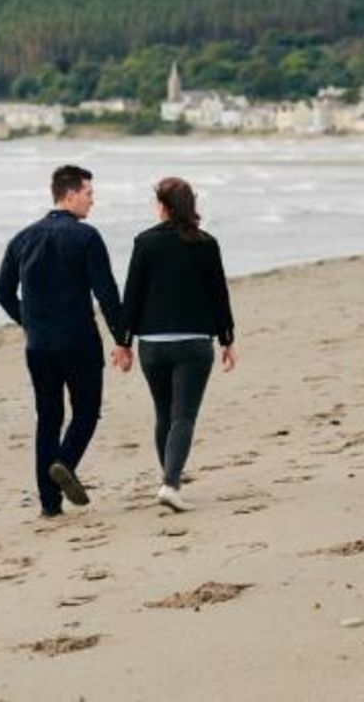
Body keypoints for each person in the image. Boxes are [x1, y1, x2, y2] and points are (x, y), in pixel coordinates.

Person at [0, 164, 129, 518]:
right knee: (85, 412)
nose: (92, 202)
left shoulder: (22, 238)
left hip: (39, 347)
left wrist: (29, 322)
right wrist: (122, 338)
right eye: (88, 194)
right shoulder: (86, 237)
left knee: (48, 419)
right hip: (79, 341)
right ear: (69, 195)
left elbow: (2, 292)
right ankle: (65, 463)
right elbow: (106, 292)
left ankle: (49, 505)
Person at [117, 176, 236, 512]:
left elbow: (132, 296)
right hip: (194, 344)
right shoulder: (206, 243)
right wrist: (227, 339)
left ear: (164, 207)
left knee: (164, 414)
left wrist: (123, 342)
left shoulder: (145, 242)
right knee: (183, 416)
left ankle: (169, 480)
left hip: (152, 345)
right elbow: (219, 296)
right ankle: (170, 483)